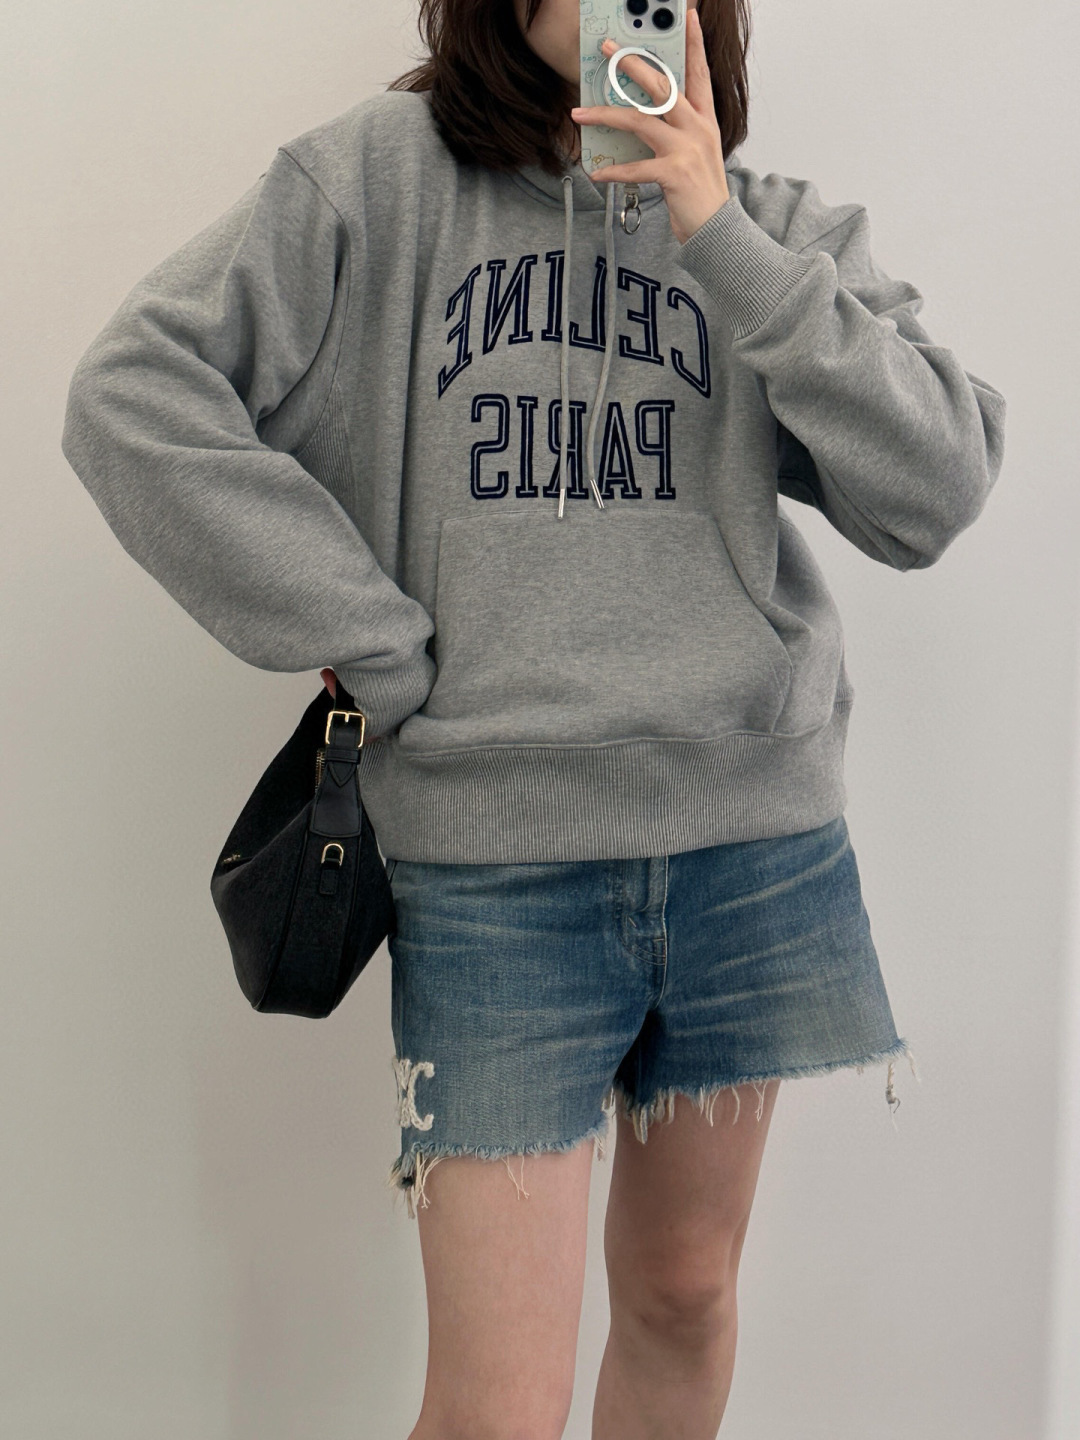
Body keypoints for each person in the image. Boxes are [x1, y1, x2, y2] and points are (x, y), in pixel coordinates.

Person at [60, 0, 1007, 1434]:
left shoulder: (767, 223)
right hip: (496, 876)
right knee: (495, 1407)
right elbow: (132, 395)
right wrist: (371, 636)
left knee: (683, 1300)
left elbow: (938, 485)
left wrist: (717, 233)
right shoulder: (375, 183)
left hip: (753, 857)